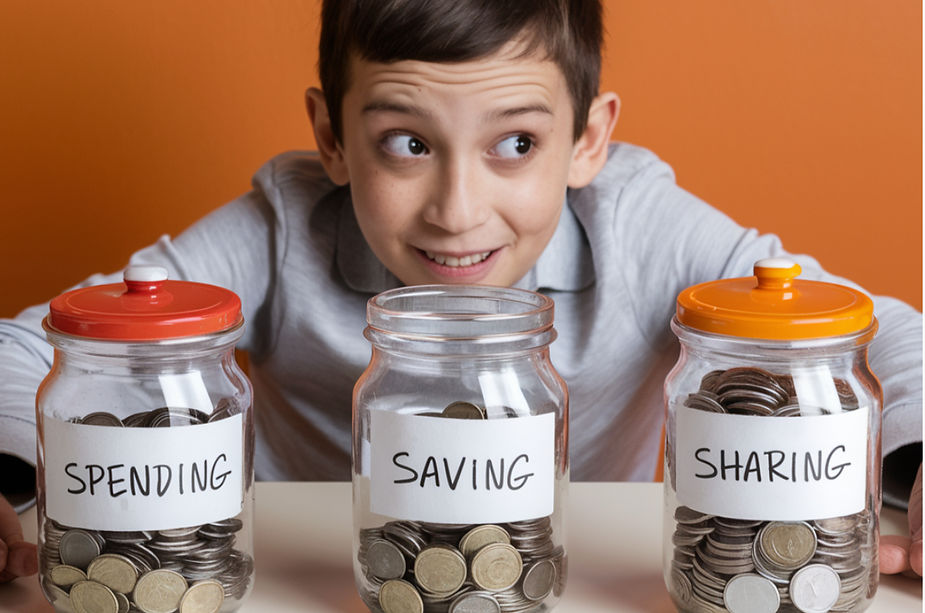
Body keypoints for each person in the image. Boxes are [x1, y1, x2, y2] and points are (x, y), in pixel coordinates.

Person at [0, 0, 920, 585]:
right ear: (330, 134)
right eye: (406, 141)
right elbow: (40, 342)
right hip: (320, 582)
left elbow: (876, 329)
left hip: (557, 582)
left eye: (516, 143)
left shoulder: (638, 221)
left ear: (587, 139)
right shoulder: (284, 223)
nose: (456, 209)